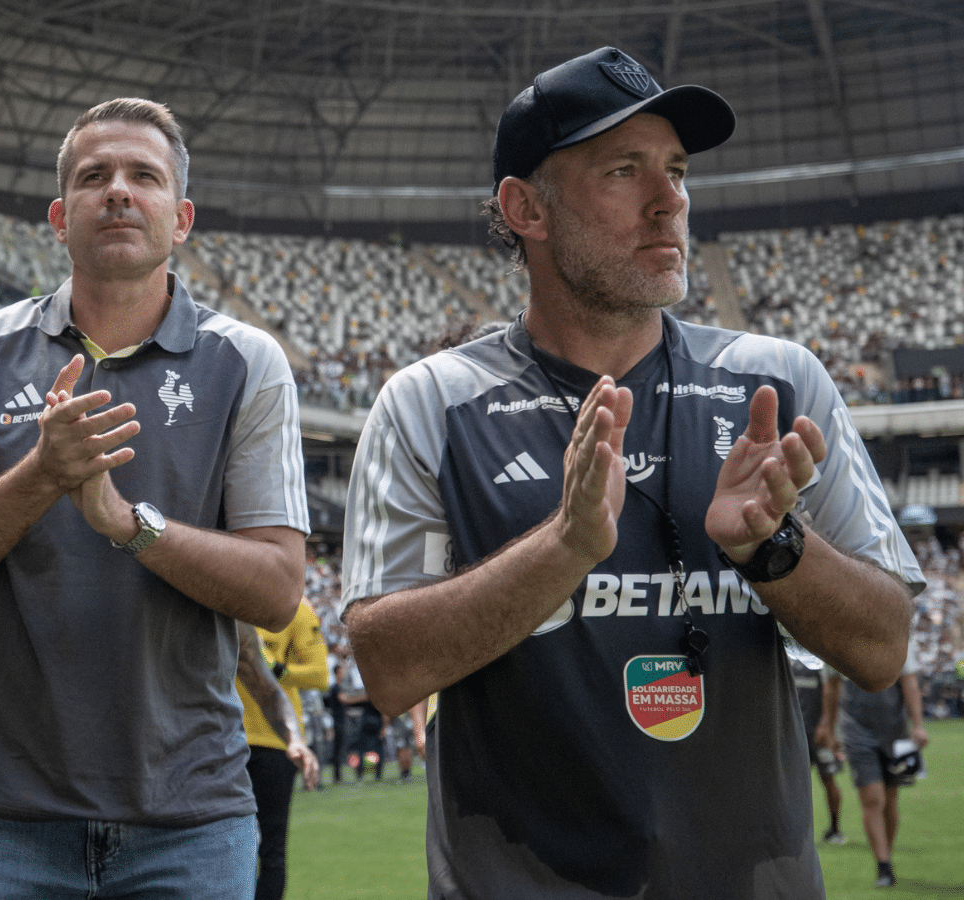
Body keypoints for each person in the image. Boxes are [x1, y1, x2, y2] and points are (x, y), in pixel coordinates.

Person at [340, 46, 920, 898]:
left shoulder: (777, 383)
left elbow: (883, 648)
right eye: (624, 170)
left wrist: (774, 548)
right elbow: (387, 670)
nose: (669, 200)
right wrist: (564, 548)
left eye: (676, 171)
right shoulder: (431, 402)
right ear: (525, 208)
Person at [0, 97, 309, 899]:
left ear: (180, 218)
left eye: (143, 176)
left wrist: (128, 524)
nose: (118, 190)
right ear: (60, 218)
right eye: (94, 176)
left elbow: (277, 590)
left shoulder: (247, 362)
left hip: (189, 818)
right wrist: (42, 474)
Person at [236, 598, 326, 900]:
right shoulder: (220, 594)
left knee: (271, 851)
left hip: (275, 742)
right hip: (223, 742)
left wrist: (274, 668)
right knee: (218, 846)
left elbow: (320, 675)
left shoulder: (294, 607)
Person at [818, 656, 928, 888]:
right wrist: (829, 728)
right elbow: (831, 688)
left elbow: (909, 683)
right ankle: (883, 865)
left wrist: (918, 725)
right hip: (856, 731)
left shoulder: (897, 640)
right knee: (872, 798)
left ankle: (886, 854)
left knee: (890, 799)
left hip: (895, 731)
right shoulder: (838, 642)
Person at [789, 644, 846, 844]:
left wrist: (825, 725)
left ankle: (835, 829)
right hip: (797, 733)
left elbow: (831, 692)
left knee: (828, 779)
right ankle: (796, 832)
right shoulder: (789, 661)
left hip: (819, 734)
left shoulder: (819, 661)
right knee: (795, 784)